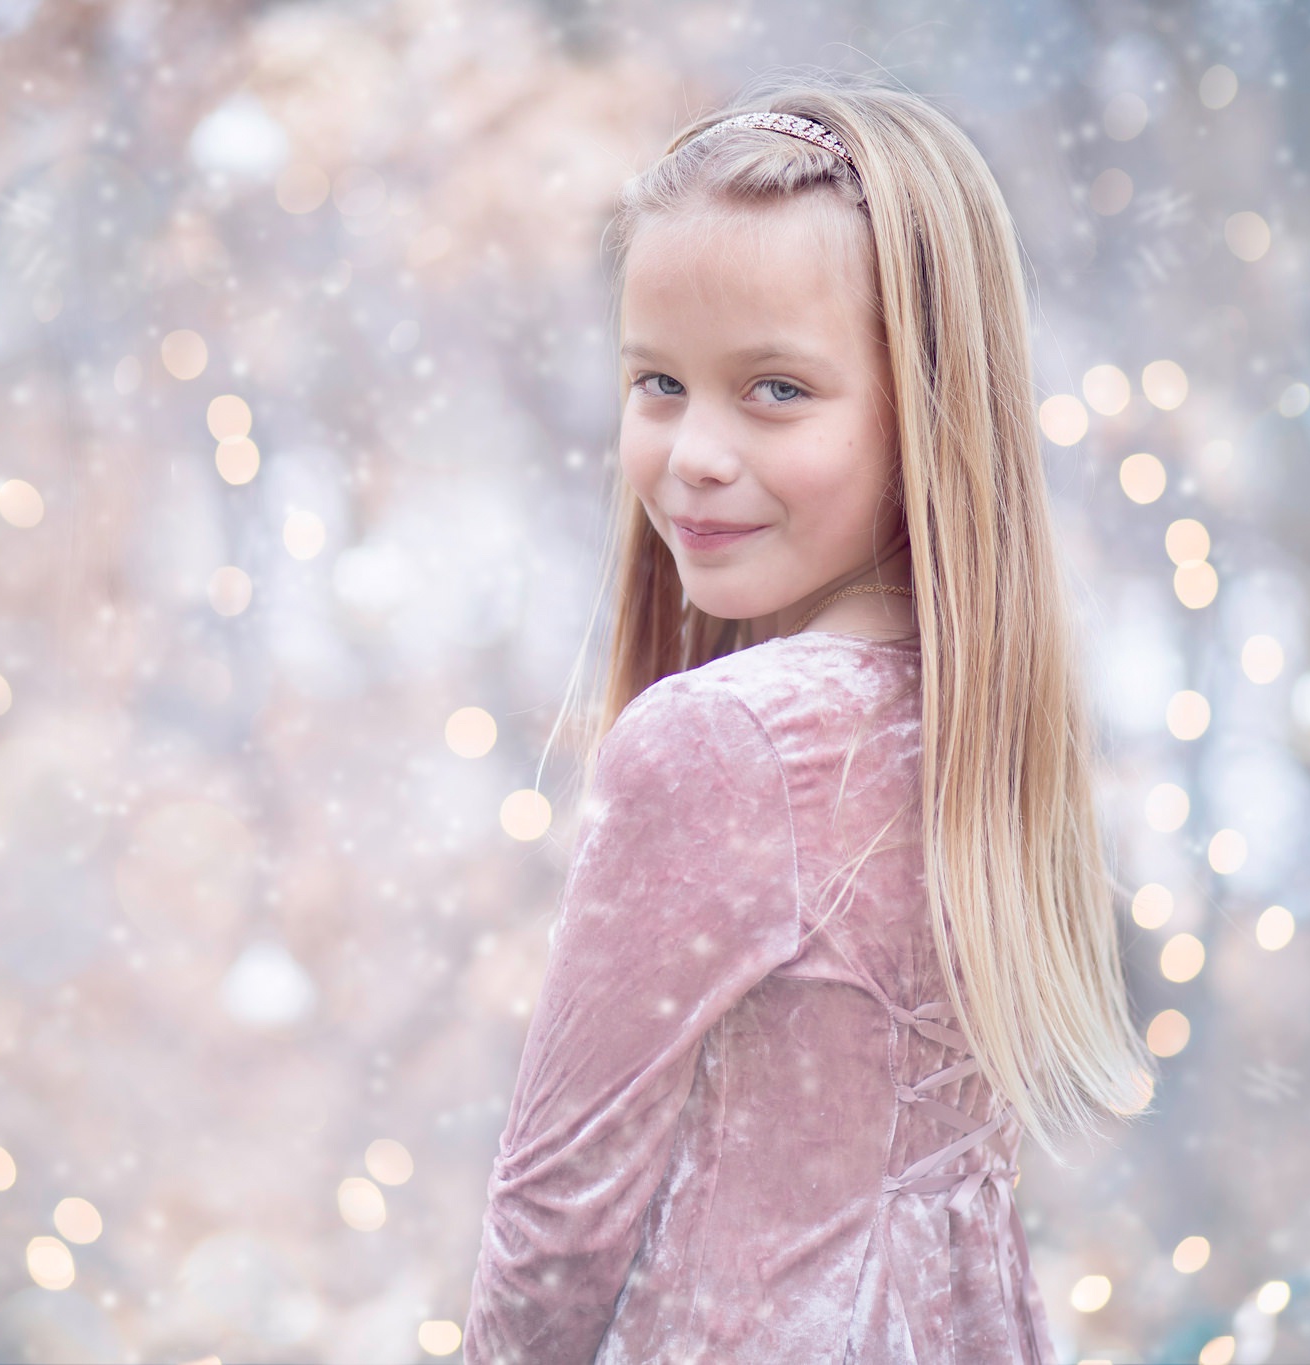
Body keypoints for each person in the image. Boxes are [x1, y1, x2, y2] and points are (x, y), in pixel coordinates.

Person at [464, 72, 1152, 1364]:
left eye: (775, 389)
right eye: (657, 382)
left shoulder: (723, 745)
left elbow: (553, 1230)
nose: (694, 453)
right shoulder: (978, 732)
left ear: (927, 408)